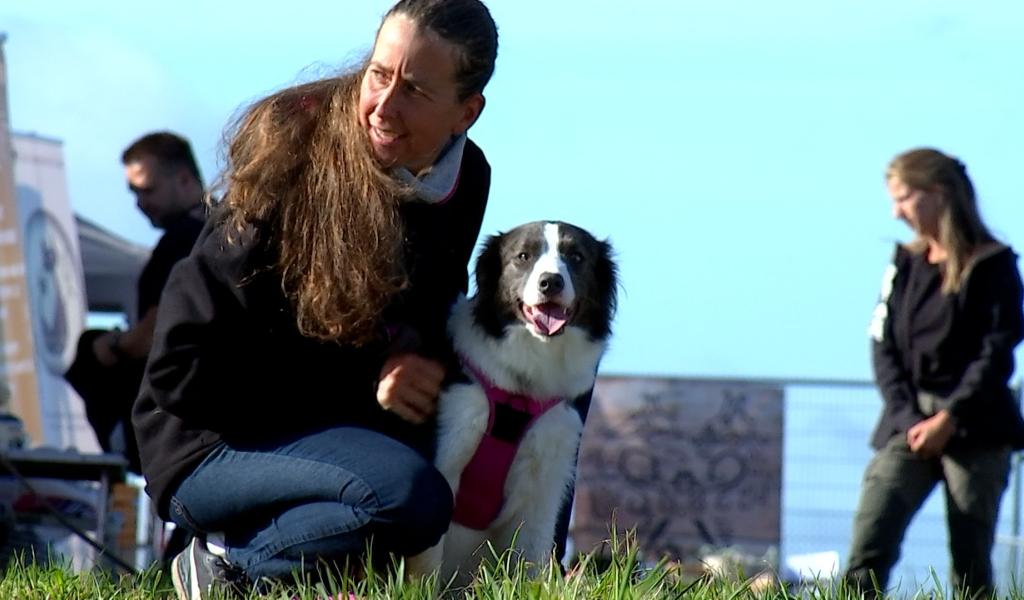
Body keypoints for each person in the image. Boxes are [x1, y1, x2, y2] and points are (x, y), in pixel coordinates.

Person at [130, 1, 498, 597]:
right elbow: (179, 362)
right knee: (410, 500)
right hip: (208, 441)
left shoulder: (467, 179)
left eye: (415, 90)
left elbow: (436, 301)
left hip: (336, 434)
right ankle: (225, 566)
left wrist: (412, 353)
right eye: (379, 74)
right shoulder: (293, 150)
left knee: (444, 457)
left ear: (466, 112)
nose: (384, 105)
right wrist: (339, 403)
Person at [845, 147, 1024, 598]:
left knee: (970, 563)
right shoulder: (903, 264)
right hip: (907, 425)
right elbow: (882, 343)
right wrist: (910, 420)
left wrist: (950, 418)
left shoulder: (995, 265)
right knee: (870, 543)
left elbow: (997, 351)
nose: (896, 211)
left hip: (977, 429)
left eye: (904, 198)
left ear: (937, 193)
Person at [65, 131, 206, 475]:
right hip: (199, 409)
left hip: (174, 413)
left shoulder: (181, 241)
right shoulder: (221, 230)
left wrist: (110, 347)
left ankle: (122, 442)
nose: (140, 203)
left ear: (184, 179)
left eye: (148, 190)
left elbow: (160, 327)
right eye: (134, 192)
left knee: (86, 349)